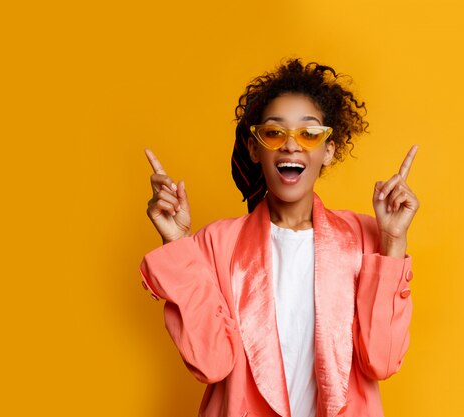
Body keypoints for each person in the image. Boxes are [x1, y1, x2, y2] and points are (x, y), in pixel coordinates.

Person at [139, 59, 420, 417]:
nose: (291, 145)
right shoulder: (216, 244)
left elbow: (382, 360)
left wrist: (393, 242)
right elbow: (211, 364)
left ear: (328, 150)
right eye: (274, 133)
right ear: (255, 149)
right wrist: (177, 244)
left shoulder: (365, 238)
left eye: (309, 133)